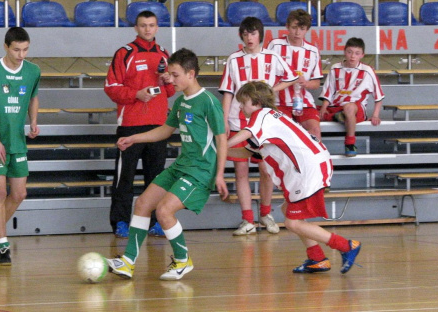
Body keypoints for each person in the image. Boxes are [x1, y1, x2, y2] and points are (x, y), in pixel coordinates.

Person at [106, 48, 228, 281]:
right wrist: (133, 138)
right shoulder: (181, 102)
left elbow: (222, 139)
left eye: (175, 74)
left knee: (163, 211)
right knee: (142, 203)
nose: (170, 79)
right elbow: (164, 130)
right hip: (182, 166)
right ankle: (128, 262)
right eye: (169, 74)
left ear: (191, 74)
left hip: (200, 171)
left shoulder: (209, 102)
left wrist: (219, 174)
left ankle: (182, 260)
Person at [228, 81, 361, 274]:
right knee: (287, 210)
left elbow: (245, 134)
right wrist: (221, 153)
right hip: (311, 165)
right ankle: (317, 259)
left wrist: (222, 144)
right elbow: (248, 153)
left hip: (308, 169)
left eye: (244, 102)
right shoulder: (271, 120)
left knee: (292, 222)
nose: (240, 106)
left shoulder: (262, 115)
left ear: (256, 102)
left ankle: (347, 246)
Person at [219, 16, 297, 236]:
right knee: (241, 171)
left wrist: (273, 89)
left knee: (266, 169)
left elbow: (292, 77)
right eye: (245, 33)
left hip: (265, 122)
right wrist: (224, 120)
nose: (249, 37)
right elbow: (227, 92)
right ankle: (247, 220)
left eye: (252, 33)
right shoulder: (233, 59)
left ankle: (265, 213)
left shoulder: (272, 57)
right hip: (237, 119)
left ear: (260, 35)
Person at [104, 10, 175, 239]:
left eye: (151, 25)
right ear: (136, 27)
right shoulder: (125, 53)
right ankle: (121, 222)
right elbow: (111, 88)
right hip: (131, 126)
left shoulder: (164, 55)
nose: (147, 29)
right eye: (143, 25)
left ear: (157, 27)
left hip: (159, 126)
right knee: (124, 177)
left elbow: (172, 90)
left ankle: (155, 222)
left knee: (156, 179)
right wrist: (137, 94)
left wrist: (167, 81)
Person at [0, 27, 40, 266]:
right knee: (0, 192)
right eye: (16, 50)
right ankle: (2, 244)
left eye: (25, 49)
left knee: (20, 193)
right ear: (6, 46)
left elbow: (33, 97)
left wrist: (33, 121)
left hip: (18, 142)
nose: (21, 54)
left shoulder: (33, 71)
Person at [319, 37, 384, 157]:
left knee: (348, 108)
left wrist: (375, 115)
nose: (352, 56)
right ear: (344, 52)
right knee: (309, 112)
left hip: (356, 109)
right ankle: (336, 118)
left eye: (357, 53)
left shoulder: (367, 71)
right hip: (336, 105)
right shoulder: (335, 68)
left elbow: (378, 96)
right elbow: (329, 90)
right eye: (349, 52)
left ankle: (350, 144)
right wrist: (323, 107)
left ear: (362, 55)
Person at [267, 9, 324, 140]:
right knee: (284, 134)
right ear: (287, 26)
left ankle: (313, 160)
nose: (297, 32)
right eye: (294, 28)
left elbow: (316, 83)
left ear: (307, 30)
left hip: (303, 102)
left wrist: (306, 83)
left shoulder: (313, 51)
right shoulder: (275, 45)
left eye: (302, 28)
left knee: (315, 130)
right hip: (278, 101)